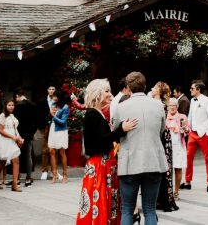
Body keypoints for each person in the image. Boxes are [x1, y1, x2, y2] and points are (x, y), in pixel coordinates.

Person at [77, 78, 139, 225]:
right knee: (100, 200)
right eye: (106, 91)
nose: (110, 95)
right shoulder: (93, 114)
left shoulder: (95, 113)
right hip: (99, 164)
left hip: (101, 163)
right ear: (97, 93)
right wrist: (121, 130)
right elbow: (100, 142)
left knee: (102, 200)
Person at [113, 72, 168, 225]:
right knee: (150, 209)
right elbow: (161, 130)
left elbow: (116, 132)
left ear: (128, 87)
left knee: (127, 209)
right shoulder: (158, 105)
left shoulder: (121, 107)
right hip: (154, 161)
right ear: (144, 86)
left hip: (130, 162)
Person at [183, 80, 208, 193]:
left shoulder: (207, 101)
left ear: (198, 89)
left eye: (192, 88)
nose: (190, 90)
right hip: (192, 133)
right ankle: (187, 181)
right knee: (188, 156)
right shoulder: (192, 100)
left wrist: (207, 132)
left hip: (204, 134)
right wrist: (188, 128)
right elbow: (190, 116)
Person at [150, 81, 178, 212]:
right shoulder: (155, 102)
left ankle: (164, 199)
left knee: (163, 168)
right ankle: (161, 199)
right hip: (162, 136)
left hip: (161, 136)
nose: (152, 88)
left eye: (155, 87)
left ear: (160, 91)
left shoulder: (159, 104)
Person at [0, 99, 24, 192]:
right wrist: (13, 137)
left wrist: (19, 137)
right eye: (9, 105)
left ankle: (15, 184)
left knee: (16, 160)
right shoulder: (2, 115)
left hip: (12, 140)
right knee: (2, 162)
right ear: (5, 106)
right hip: (4, 140)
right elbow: (0, 130)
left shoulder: (12, 116)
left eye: (13, 105)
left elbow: (14, 129)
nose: (11, 107)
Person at [13, 88, 38, 187]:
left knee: (17, 156)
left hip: (19, 134)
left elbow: (16, 122)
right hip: (29, 134)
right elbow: (36, 122)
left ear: (17, 96)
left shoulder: (18, 106)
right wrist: (32, 133)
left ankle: (17, 178)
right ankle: (28, 178)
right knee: (28, 156)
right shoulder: (33, 105)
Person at [165, 98, 189, 200]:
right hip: (167, 147)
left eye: (174, 105)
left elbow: (187, 131)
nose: (172, 107)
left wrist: (185, 129)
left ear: (177, 106)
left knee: (178, 168)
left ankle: (176, 191)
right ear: (167, 106)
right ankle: (168, 191)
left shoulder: (182, 117)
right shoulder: (165, 117)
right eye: (170, 105)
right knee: (167, 170)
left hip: (179, 145)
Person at [48, 91, 70, 183]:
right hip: (53, 129)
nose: (54, 98)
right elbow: (50, 118)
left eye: (56, 96)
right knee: (52, 151)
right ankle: (54, 175)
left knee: (61, 152)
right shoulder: (53, 105)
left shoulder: (65, 107)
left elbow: (63, 122)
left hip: (61, 131)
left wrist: (53, 116)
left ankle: (65, 175)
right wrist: (50, 117)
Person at [38, 85, 57, 181]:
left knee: (54, 148)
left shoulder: (57, 101)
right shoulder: (42, 101)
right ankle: (44, 171)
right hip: (46, 126)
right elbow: (39, 114)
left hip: (56, 125)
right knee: (45, 149)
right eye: (50, 89)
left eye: (53, 89)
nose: (51, 90)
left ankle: (55, 171)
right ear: (47, 90)